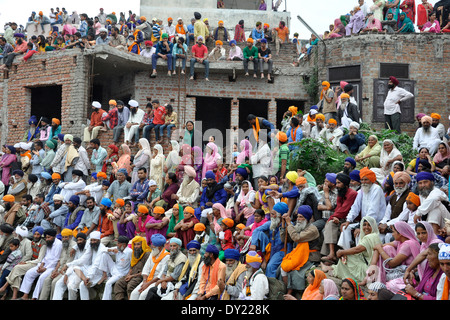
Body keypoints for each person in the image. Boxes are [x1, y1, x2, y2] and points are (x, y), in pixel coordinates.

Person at [338, 167, 386, 250]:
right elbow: (355, 207)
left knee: (359, 233)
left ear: (371, 180)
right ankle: (346, 253)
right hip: (364, 222)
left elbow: (373, 211)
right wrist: (348, 220)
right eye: (362, 180)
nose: (363, 182)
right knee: (346, 228)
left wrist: (363, 226)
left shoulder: (376, 189)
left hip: (375, 223)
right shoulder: (362, 190)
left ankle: (359, 256)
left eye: (366, 180)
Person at [18, 228, 62, 300]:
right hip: (44, 264)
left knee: (42, 278)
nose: (47, 239)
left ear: (54, 237)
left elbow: (56, 260)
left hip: (52, 267)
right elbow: (46, 256)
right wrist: (41, 265)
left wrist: (45, 268)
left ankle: (34, 298)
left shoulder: (58, 244)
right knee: (29, 273)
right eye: (46, 237)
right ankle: (25, 296)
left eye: (49, 237)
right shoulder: (49, 242)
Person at [129, 233, 169, 300]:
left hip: (156, 281)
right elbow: (146, 269)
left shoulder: (167, 256)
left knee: (143, 295)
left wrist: (147, 284)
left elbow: (161, 275)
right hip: (147, 279)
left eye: (153, 245)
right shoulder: (153, 253)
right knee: (134, 293)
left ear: (159, 247)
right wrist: (144, 282)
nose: (151, 246)